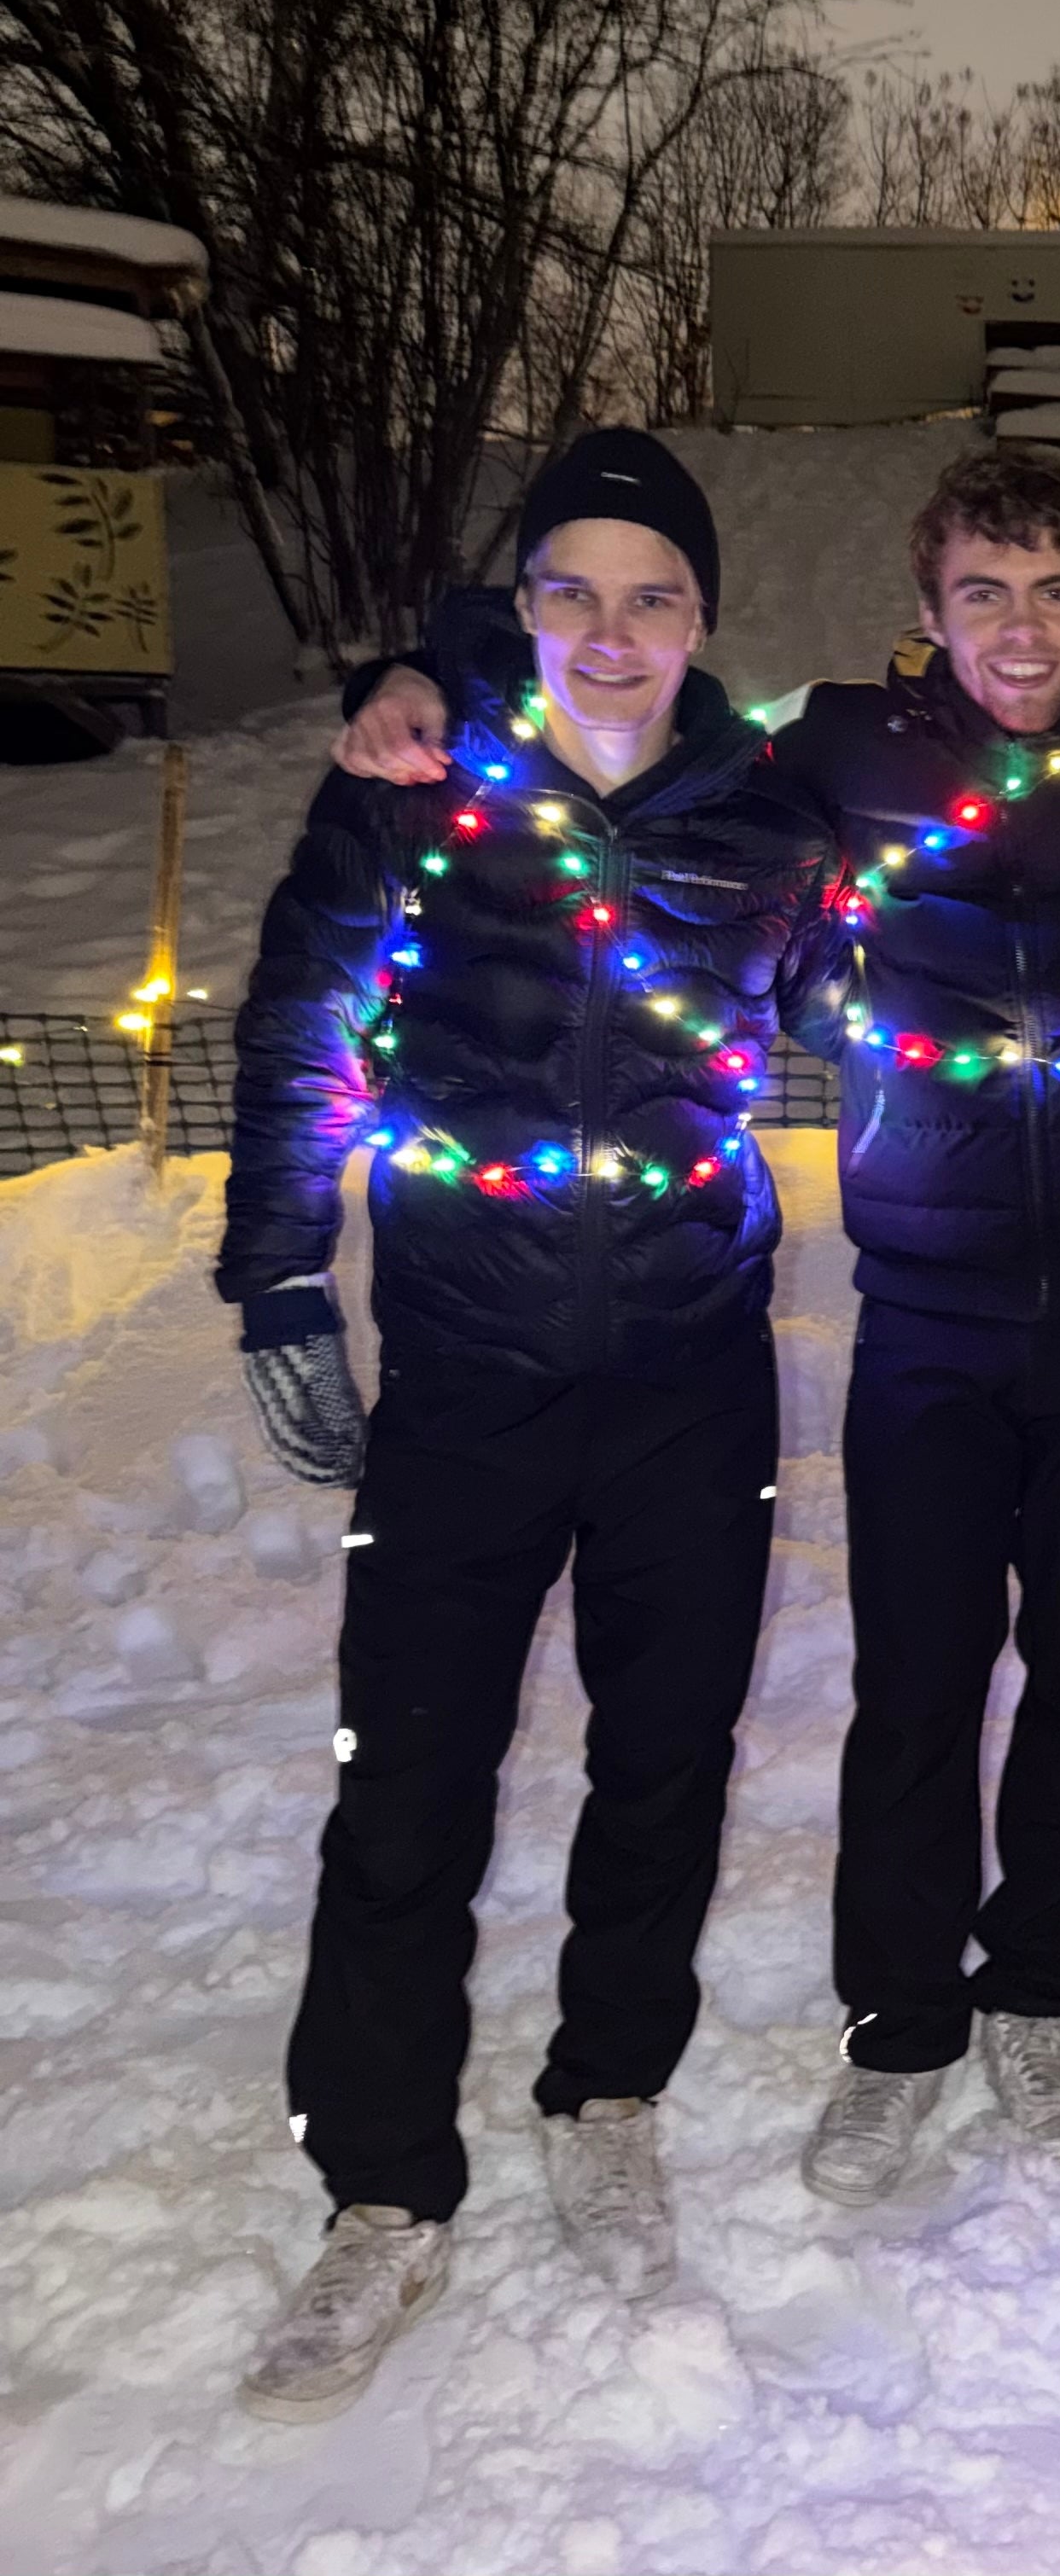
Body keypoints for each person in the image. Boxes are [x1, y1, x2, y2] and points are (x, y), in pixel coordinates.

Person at [339, 445, 1060, 2202]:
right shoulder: (832, 747)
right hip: (921, 1302)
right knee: (916, 1681)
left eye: (1058, 593)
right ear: (926, 616)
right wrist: (418, 670)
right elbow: (623, 686)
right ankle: (902, 2025)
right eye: (984, 593)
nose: (1023, 629)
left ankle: (1041, 1990)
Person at [218, 429, 848, 2420]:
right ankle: (384, 2188)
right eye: (568, 590)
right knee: (408, 1782)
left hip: (689, 1361)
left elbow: (881, 987)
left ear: (704, 622)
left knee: (665, 1758)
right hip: (473, 1368)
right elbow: (302, 1020)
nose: (611, 631)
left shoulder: (768, 818)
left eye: (653, 593)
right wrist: (279, 1274)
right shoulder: (416, 795)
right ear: (515, 605)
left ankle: (610, 2088)